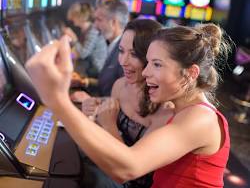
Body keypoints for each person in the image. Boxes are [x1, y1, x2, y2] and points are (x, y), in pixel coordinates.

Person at [26, 23, 232, 187]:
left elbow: (128, 168)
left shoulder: (200, 118)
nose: (145, 72)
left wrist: (57, 99)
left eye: (157, 64)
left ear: (191, 73)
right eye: (148, 62)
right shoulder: (181, 110)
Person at [80, 19, 173, 188]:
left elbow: (134, 173)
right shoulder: (120, 85)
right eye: (121, 51)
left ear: (152, 57)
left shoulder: (165, 106)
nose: (123, 61)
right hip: (111, 167)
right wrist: (94, 110)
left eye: (134, 54)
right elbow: (107, 137)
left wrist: (108, 125)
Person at [64, 2, 107, 78]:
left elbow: (83, 54)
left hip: (96, 70)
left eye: (73, 16)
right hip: (88, 66)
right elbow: (78, 53)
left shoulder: (93, 31)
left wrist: (74, 39)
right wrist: (67, 56)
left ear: (80, 17)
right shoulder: (86, 30)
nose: (71, 19)